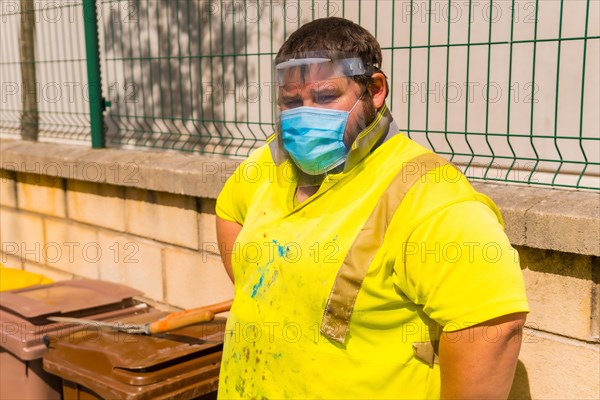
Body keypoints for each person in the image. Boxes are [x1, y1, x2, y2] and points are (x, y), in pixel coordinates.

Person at [215, 17, 529, 399]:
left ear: (375, 90)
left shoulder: (431, 195)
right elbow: (230, 212)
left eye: (326, 96)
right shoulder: (268, 163)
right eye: (291, 102)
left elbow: (492, 328)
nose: (304, 115)